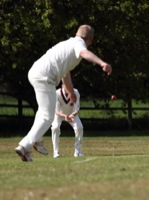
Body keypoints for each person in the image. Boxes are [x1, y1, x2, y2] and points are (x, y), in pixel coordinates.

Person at [15, 25, 112, 162]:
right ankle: (25, 145)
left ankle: (36, 141)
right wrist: (102, 63)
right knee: (47, 117)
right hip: (45, 77)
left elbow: (65, 74)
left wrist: (70, 91)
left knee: (43, 111)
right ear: (90, 39)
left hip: (35, 72)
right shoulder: (79, 44)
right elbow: (84, 53)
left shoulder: (68, 44)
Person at [51, 82, 83, 158]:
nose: (69, 88)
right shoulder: (57, 93)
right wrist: (65, 116)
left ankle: (77, 151)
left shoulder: (75, 92)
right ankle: (56, 152)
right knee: (55, 128)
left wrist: (72, 115)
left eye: (70, 86)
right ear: (62, 86)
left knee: (79, 127)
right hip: (59, 115)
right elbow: (55, 110)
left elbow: (77, 109)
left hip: (72, 114)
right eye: (66, 86)